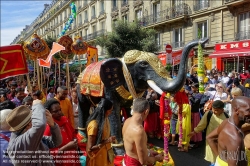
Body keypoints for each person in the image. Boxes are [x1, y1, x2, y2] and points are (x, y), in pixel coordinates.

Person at [6, 100, 62, 165]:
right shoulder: (19, 144)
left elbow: (56, 142)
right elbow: (39, 125)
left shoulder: (30, 136)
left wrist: (53, 125)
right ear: (28, 125)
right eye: (33, 119)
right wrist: (37, 105)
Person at [207, 96, 250, 166]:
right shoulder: (235, 138)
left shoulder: (226, 122)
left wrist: (220, 158)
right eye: (248, 110)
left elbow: (210, 138)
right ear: (236, 110)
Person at [122, 98, 164, 166]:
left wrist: (148, 152)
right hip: (134, 163)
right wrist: (157, 158)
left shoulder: (127, 121)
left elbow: (132, 146)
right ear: (146, 111)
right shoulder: (139, 131)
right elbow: (143, 161)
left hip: (127, 158)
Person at [188, 100, 229, 165]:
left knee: (221, 158)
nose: (214, 111)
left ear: (222, 110)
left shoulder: (227, 117)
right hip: (211, 141)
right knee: (212, 158)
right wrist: (194, 132)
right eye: (213, 109)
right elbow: (202, 124)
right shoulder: (209, 114)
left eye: (216, 110)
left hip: (222, 142)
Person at [44, 98, 80, 166]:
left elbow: (73, 133)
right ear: (48, 113)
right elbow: (46, 152)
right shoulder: (47, 127)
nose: (59, 112)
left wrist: (75, 140)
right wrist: (65, 148)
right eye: (55, 111)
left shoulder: (65, 120)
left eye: (60, 110)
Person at [85, 98, 116, 166]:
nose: (111, 112)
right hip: (97, 157)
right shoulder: (94, 125)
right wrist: (107, 141)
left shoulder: (106, 118)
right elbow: (90, 149)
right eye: (110, 111)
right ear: (104, 111)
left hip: (106, 154)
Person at [189, 83, 203, 147]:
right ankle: (191, 139)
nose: (192, 88)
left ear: (197, 88)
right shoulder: (191, 93)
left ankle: (197, 140)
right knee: (191, 126)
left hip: (195, 113)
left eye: (193, 87)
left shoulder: (199, 94)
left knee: (195, 126)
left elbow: (195, 101)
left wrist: (190, 96)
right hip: (190, 112)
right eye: (191, 87)